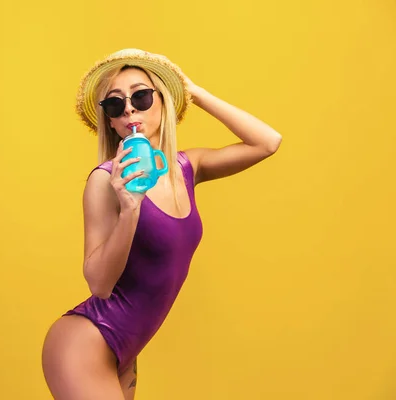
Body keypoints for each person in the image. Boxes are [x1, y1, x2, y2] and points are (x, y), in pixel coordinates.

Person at [41, 48, 282, 400]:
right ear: (109, 121)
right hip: (86, 342)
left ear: (162, 102)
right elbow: (99, 284)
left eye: (141, 96)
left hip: (126, 352)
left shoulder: (189, 167)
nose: (129, 109)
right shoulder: (105, 181)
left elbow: (267, 142)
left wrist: (192, 91)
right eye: (115, 104)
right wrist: (130, 209)